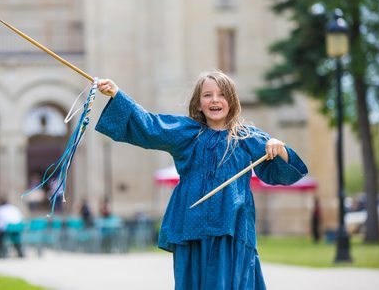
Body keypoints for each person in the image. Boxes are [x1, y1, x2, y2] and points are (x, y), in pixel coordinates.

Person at [96, 71, 308, 289]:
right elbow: (151, 125)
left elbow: (283, 173)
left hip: (232, 229)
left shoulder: (247, 137)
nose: (215, 99)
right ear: (198, 104)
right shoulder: (186, 133)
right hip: (191, 228)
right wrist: (117, 94)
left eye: (222, 94)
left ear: (232, 101)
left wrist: (278, 147)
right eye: (208, 95)